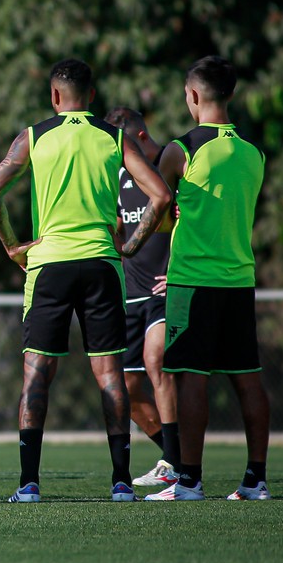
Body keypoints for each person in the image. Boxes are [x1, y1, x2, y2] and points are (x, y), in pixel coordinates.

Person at [0, 58, 171, 503]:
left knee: (37, 373)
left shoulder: (33, 136)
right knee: (109, 374)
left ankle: (29, 483)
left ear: (53, 96)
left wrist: (13, 245)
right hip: (103, 266)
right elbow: (161, 195)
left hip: (49, 265)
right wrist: (130, 246)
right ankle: (122, 481)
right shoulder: (114, 136)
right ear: (91, 95)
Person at [148, 56, 269, 501]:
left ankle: (190, 481)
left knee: (189, 376)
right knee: (247, 378)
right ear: (231, 96)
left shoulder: (183, 149)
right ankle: (256, 480)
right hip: (239, 278)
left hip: (193, 280)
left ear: (193, 96)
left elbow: (158, 208)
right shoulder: (254, 152)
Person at [103, 107, 180, 488]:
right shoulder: (117, 176)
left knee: (156, 360)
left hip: (164, 290)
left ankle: (175, 459)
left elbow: (193, 223)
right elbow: (116, 227)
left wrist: (181, 271)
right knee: (128, 390)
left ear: (141, 139)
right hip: (129, 294)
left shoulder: (172, 166)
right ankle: (173, 455)